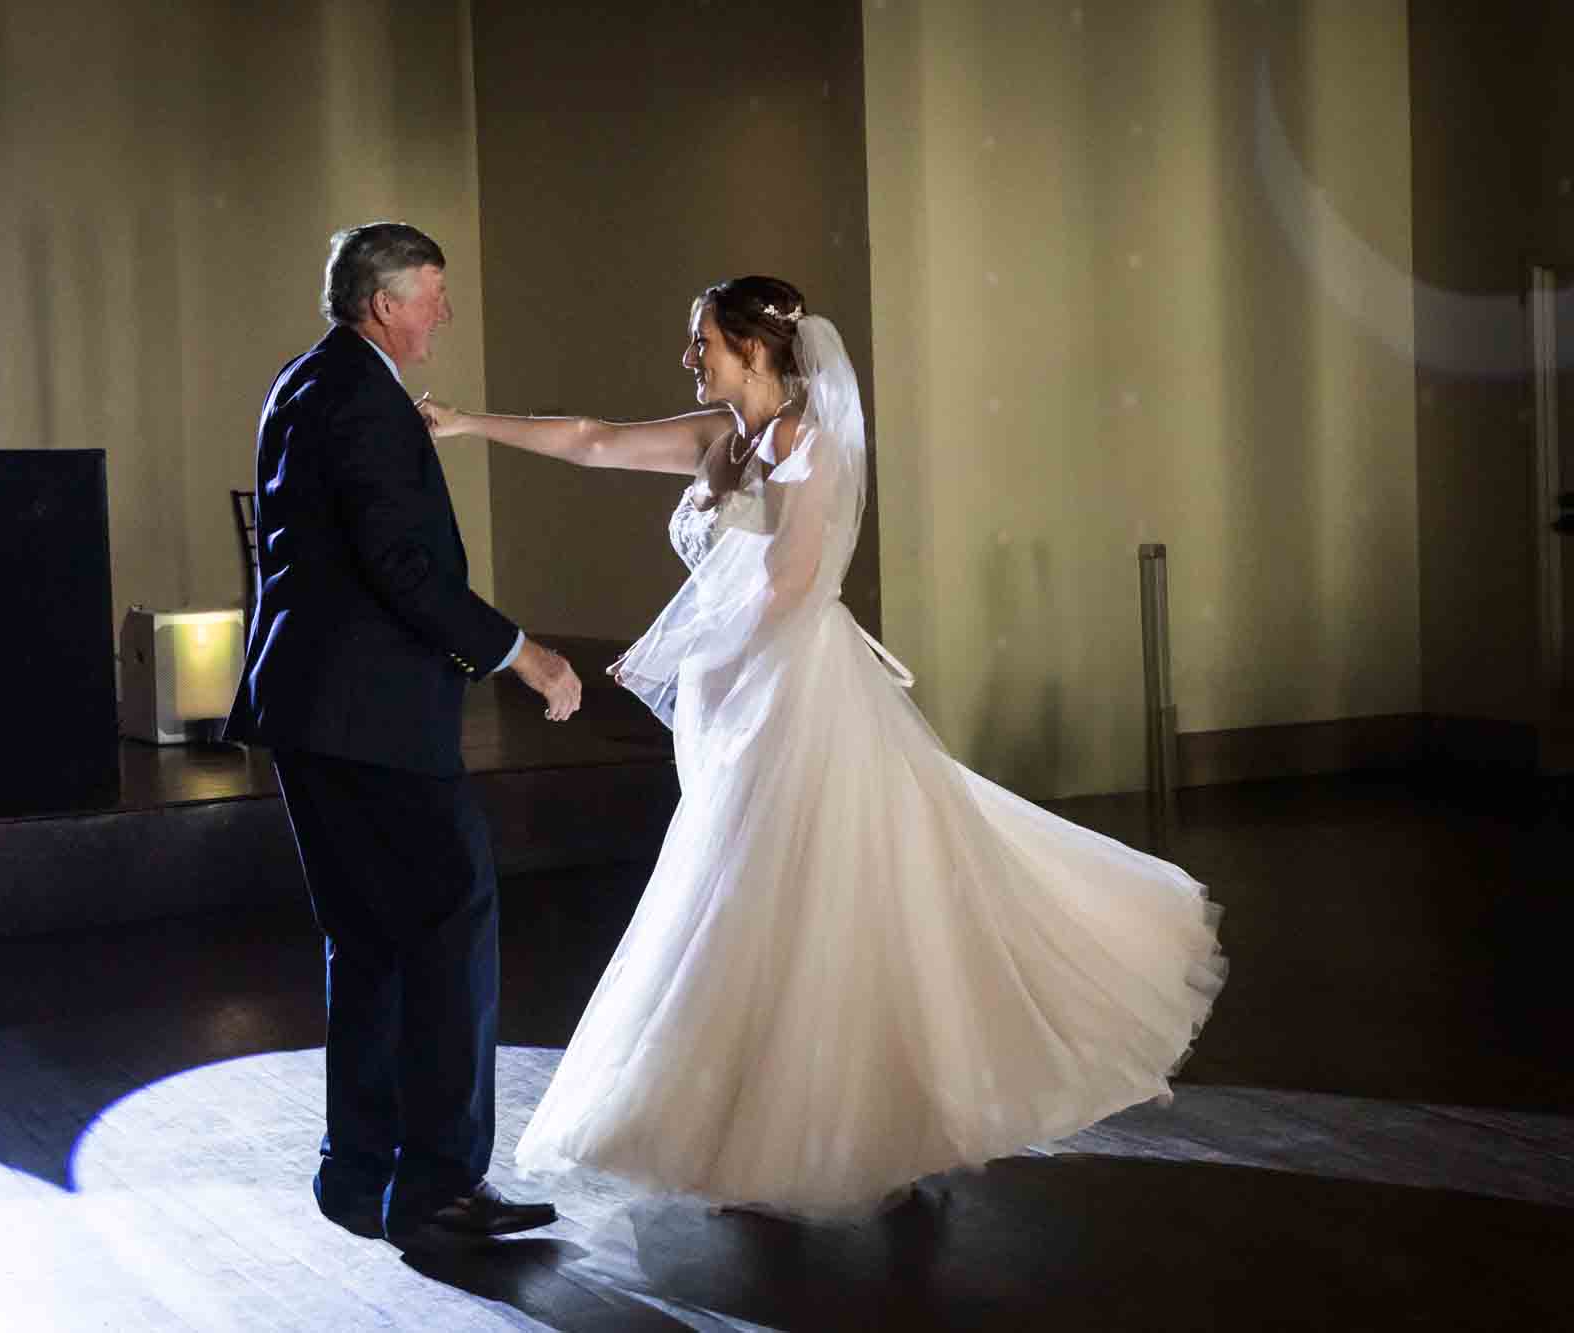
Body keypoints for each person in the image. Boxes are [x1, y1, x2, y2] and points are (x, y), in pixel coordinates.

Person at [418, 275, 1226, 1220]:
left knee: (814, 904)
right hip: (730, 706)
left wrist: (673, 652)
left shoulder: (814, 450)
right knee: (747, 909)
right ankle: (755, 1135)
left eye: (703, 342)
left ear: (755, 350)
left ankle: (864, 1132)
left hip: (797, 699)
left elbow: (789, 587)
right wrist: (469, 424)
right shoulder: (721, 438)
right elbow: (593, 440)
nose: (691, 358)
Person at [227, 222, 579, 1247]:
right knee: (448, 926)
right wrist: (523, 654)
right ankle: (435, 1188)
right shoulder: (362, 400)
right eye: (433, 293)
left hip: (309, 709)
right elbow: (404, 570)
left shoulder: (305, 380)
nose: (445, 312)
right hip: (372, 719)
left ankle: (360, 1171)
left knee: (368, 939)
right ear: (384, 304)